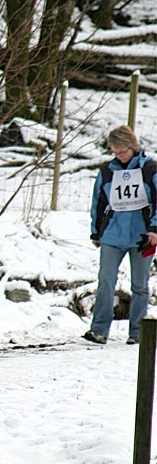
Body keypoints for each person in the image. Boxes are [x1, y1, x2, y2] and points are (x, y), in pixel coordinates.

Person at [83, 125, 156, 345]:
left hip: (143, 236)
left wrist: (154, 229)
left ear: (132, 147)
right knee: (105, 281)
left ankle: (137, 332)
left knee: (140, 285)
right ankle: (98, 330)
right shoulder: (107, 171)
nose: (119, 156)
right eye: (115, 152)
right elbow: (99, 201)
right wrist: (96, 231)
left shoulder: (150, 169)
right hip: (112, 235)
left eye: (123, 151)